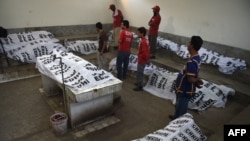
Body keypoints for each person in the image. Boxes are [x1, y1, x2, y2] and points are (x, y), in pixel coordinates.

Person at [169, 36, 204, 120]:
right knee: (178, 105)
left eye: (189, 43)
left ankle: (178, 125)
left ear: (192, 45)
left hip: (185, 90)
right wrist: (197, 81)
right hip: (182, 88)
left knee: (181, 109)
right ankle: (175, 117)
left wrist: (197, 80)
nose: (187, 44)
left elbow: (190, 79)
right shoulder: (196, 58)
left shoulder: (191, 61)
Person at [133, 27, 150, 91]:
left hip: (142, 59)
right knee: (139, 72)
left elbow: (145, 52)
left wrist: (145, 59)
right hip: (142, 59)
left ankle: (140, 86)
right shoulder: (144, 40)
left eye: (138, 33)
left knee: (140, 72)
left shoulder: (143, 42)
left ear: (142, 33)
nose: (137, 34)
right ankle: (138, 82)